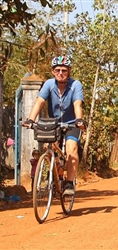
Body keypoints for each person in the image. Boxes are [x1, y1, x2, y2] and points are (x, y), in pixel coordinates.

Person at [23, 56, 86, 196]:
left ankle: (69, 183)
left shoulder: (75, 85)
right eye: (57, 70)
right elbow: (39, 102)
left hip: (72, 124)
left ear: (69, 71)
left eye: (64, 70)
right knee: (48, 148)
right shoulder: (49, 84)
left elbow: (77, 104)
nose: (61, 73)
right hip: (53, 124)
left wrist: (79, 120)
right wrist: (30, 120)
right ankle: (54, 175)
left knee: (71, 147)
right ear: (52, 71)